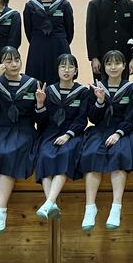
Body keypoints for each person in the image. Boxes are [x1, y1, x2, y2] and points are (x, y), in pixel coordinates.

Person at [0, 46, 43, 236]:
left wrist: (39, 105)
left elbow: (39, 118)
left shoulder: (32, 83)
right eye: (8, 60)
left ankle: (1, 209)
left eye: (16, 60)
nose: (13, 64)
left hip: (23, 130)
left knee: (9, 154)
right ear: (0, 63)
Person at [80, 50, 133, 231]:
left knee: (119, 153)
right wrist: (99, 101)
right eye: (109, 63)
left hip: (122, 131)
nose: (113, 67)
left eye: (117, 63)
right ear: (103, 67)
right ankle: (90, 207)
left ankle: (116, 206)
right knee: (91, 153)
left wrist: (118, 133)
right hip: (99, 130)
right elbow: (92, 118)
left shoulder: (131, 89)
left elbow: (131, 119)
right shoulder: (96, 87)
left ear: (124, 66)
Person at [33, 53, 91, 221]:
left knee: (65, 154)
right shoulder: (48, 91)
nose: (66, 70)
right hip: (50, 132)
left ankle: (48, 202)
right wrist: (40, 104)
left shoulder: (82, 92)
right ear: (57, 70)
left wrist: (68, 135)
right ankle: (51, 204)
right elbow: (41, 122)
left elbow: (82, 120)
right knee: (44, 155)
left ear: (76, 70)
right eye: (62, 66)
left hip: (72, 133)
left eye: (70, 67)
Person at [23, 0, 75, 85]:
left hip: (59, 46)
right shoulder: (30, 6)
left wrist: (60, 41)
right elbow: (28, 30)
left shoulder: (64, 5)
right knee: (36, 80)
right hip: (37, 46)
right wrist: (38, 41)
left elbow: (70, 30)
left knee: (59, 78)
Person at [85, 0, 133, 78]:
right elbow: (91, 34)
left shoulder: (132, 6)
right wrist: (94, 57)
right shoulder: (95, 5)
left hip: (124, 58)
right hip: (101, 58)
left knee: (123, 87)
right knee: (100, 87)